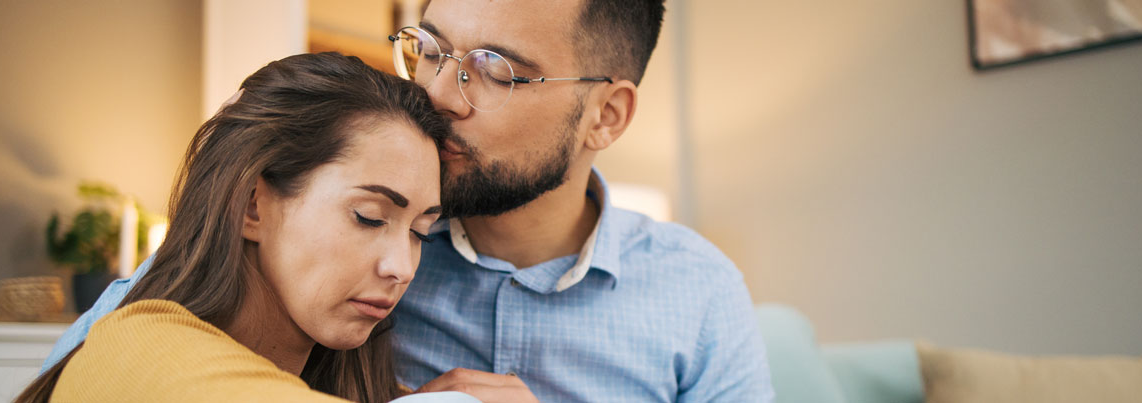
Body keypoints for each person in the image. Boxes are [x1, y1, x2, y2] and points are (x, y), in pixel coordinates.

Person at [46, 0, 775, 401]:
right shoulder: (322, 261)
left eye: (493, 70)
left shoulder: (698, 292)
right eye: (430, 48)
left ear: (606, 116)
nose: (435, 93)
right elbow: (111, 356)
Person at [20, 52, 477, 403]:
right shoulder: (132, 346)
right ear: (252, 205)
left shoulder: (339, 380)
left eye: (418, 231)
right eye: (369, 217)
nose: (401, 267)